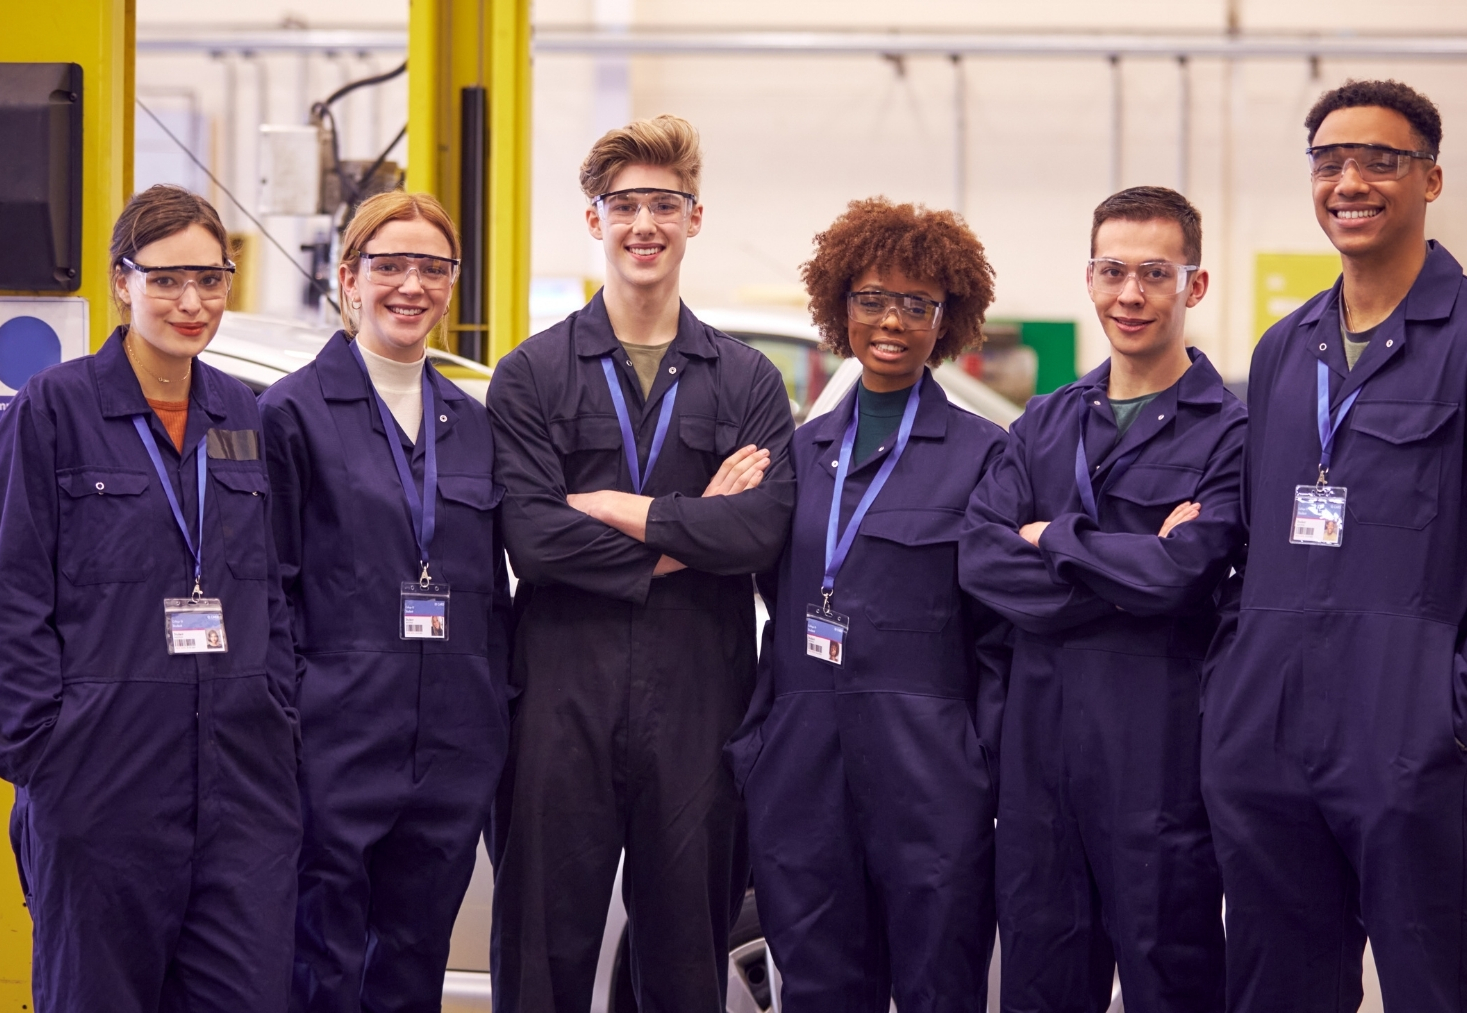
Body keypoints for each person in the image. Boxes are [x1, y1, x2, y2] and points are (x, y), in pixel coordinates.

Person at [1201, 80, 1467, 1011]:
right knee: (1274, 983)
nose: (1350, 181)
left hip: (1411, 742)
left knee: (1430, 987)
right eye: (1329, 162)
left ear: (1431, 179)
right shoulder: (1284, 349)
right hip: (1271, 734)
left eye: (1380, 160)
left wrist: (1451, 715)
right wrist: (1235, 689)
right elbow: (1256, 536)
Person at [486, 115, 795, 1012]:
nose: (645, 225)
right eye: (625, 205)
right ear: (594, 220)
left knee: (684, 958)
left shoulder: (747, 380)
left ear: (695, 218)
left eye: (666, 204)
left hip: (699, 694)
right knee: (541, 950)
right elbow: (534, 539)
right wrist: (693, 530)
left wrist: (625, 510)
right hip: (558, 695)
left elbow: (760, 533)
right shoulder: (532, 374)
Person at [0, 184, 300, 1012]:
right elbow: (8, 595)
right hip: (102, 789)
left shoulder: (246, 416)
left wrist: (277, 715)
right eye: (166, 279)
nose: (191, 302)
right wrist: (47, 761)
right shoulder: (57, 409)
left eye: (211, 280)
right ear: (123, 282)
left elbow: (276, 591)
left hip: (239, 792)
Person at [960, 186, 1242, 1013]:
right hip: (1039, 761)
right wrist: (1133, 567)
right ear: (1089, 278)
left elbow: (1181, 575)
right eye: (1113, 271)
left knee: (1172, 976)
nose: (1131, 294)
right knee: (1041, 982)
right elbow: (981, 557)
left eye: (1155, 273)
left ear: (1194, 286)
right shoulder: (1045, 421)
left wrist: (1050, 537)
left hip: (1158, 758)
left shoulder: (1227, 433)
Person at [725, 198, 1010, 1012]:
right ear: (838, 305)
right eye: (872, 298)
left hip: (930, 776)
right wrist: (765, 746)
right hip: (805, 768)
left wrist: (975, 764)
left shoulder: (987, 457)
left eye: (917, 304)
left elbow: (999, 637)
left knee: (937, 984)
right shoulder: (798, 453)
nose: (891, 320)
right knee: (815, 986)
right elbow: (761, 589)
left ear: (946, 319)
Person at [260, 191, 511, 1012]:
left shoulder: (473, 425)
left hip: (449, 748)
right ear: (349, 278)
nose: (412, 285)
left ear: (452, 284)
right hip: (333, 743)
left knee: (414, 964)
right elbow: (270, 589)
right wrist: (293, 724)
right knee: (319, 966)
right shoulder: (290, 414)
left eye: (432, 267)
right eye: (390, 265)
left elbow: (493, 587)